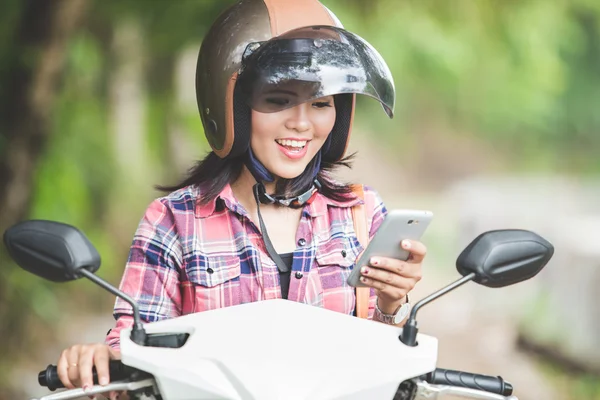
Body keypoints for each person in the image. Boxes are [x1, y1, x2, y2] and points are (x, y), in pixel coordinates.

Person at [55, 0, 426, 397]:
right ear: (232, 107)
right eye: (278, 100)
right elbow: (133, 346)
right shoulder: (175, 221)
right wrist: (102, 362)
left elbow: (382, 367)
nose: (301, 123)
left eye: (320, 103)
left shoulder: (360, 214)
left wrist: (390, 303)